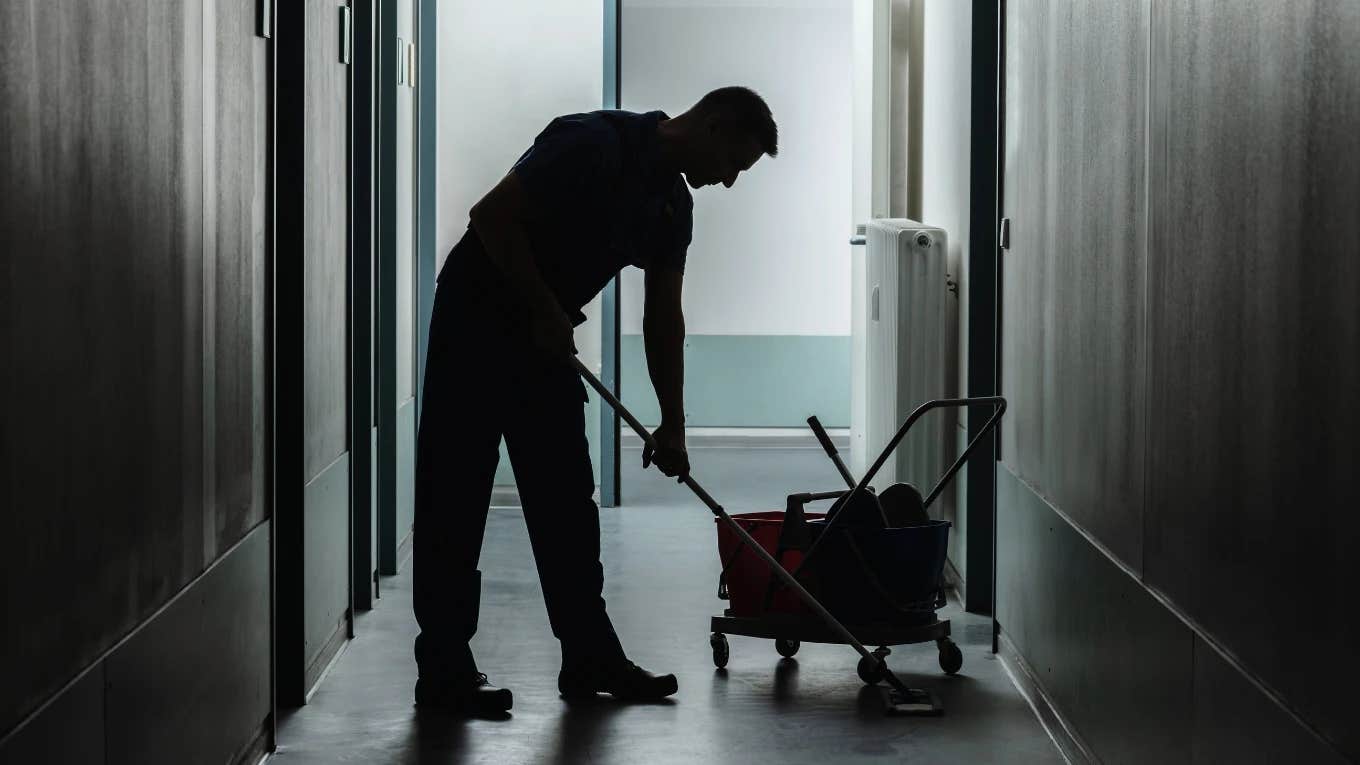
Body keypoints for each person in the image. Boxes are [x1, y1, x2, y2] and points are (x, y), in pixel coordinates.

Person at [413, 87, 778, 715]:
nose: (729, 181)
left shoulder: (672, 207)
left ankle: (589, 658)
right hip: (474, 320)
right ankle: (443, 669)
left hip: (543, 337)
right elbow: (490, 216)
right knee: (456, 496)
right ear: (714, 126)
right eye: (734, 165)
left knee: (565, 501)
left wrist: (672, 423)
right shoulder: (592, 142)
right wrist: (541, 307)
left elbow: (665, 318)